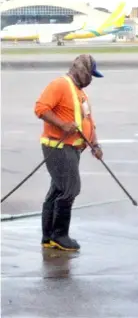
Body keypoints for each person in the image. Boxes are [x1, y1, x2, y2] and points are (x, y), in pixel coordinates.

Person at [34, 54, 104, 251]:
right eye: (90, 75)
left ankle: (48, 236)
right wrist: (62, 125)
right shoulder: (60, 85)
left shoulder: (80, 93)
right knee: (71, 189)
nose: (91, 80)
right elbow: (40, 109)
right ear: (81, 71)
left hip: (73, 148)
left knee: (58, 189)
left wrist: (95, 145)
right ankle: (60, 235)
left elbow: (87, 122)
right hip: (58, 146)